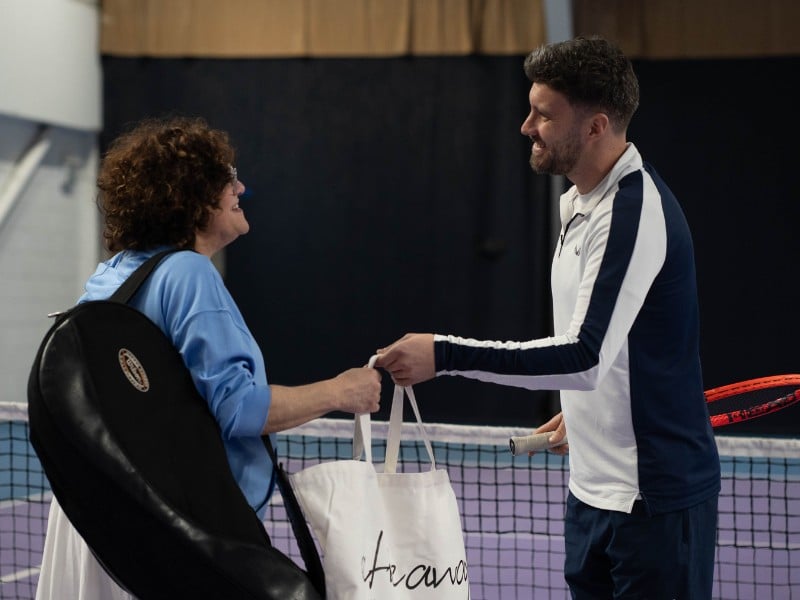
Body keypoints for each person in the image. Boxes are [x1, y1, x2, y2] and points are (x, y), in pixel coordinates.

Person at [375, 36, 720, 599]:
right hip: (589, 491)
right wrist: (587, 416)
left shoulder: (630, 214)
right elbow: (609, 349)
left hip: (652, 503)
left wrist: (443, 353)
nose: (526, 126)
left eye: (543, 114)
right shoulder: (577, 203)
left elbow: (584, 356)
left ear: (594, 127)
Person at [35, 116, 382, 599]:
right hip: (161, 522)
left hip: (92, 509)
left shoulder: (111, 274)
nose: (241, 186)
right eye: (228, 177)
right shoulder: (189, 274)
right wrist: (344, 391)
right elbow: (240, 410)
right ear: (194, 195)